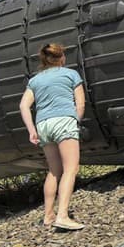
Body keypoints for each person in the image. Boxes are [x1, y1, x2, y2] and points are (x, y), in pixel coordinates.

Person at [18, 43, 86, 231]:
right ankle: (62, 216)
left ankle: (48, 215)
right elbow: (80, 105)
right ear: (62, 57)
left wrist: (31, 129)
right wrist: (75, 121)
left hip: (43, 125)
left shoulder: (35, 80)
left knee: (54, 170)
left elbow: (23, 106)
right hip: (64, 120)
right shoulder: (71, 74)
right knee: (70, 169)